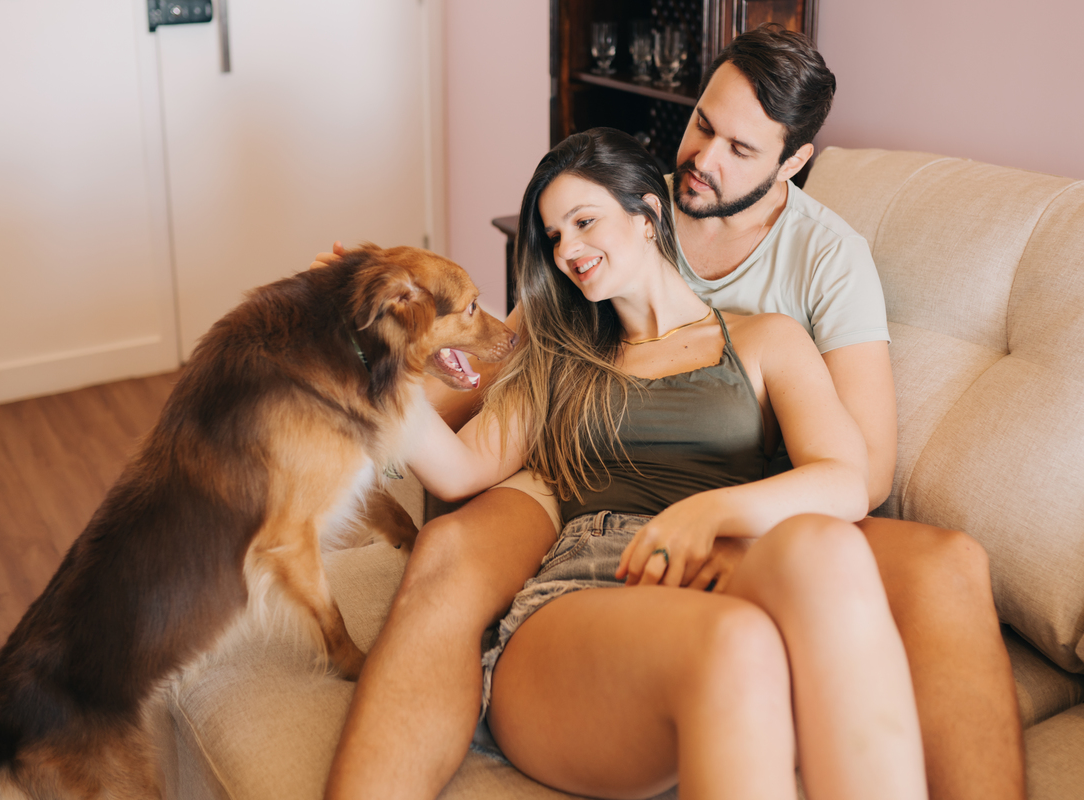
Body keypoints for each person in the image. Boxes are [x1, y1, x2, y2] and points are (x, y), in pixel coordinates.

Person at [325, 25, 1023, 800]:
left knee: (923, 561)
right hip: (577, 490)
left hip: (747, 504)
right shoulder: (606, 221)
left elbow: (858, 472)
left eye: (741, 149)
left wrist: (718, 510)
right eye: (701, 123)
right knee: (456, 557)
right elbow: (482, 385)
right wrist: (376, 354)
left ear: (794, 162)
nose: (704, 157)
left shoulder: (814, 275)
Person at [408, 125, 928, 799]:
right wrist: (363, 361)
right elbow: (453, 469)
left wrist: (709, 511)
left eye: (584, 221)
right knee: (734, 643)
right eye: (554, 237)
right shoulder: (558, 356)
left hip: (716, 572)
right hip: (580, 605)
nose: (568, 250)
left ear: (649, 214)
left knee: (827, 547)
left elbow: (846, 480)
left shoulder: (766, 338)